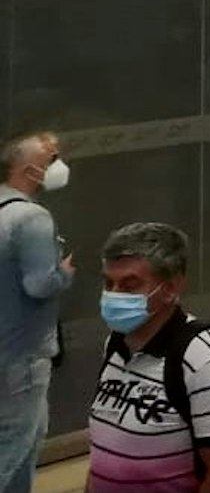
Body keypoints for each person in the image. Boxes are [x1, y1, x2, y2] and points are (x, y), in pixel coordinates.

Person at [87, 222, 210, 493]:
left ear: (170, 288)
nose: (113, 295)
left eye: (129, 285)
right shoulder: (116, 343)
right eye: (108, 282)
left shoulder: (204, 355)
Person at [0, 132, 73, 493]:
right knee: (12, 445)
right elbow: (39, 284)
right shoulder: (32, 218)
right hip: (23, 357)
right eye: (53, 158)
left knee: (30, 440)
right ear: (31, 169)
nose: (60, 165)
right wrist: (65, 273)